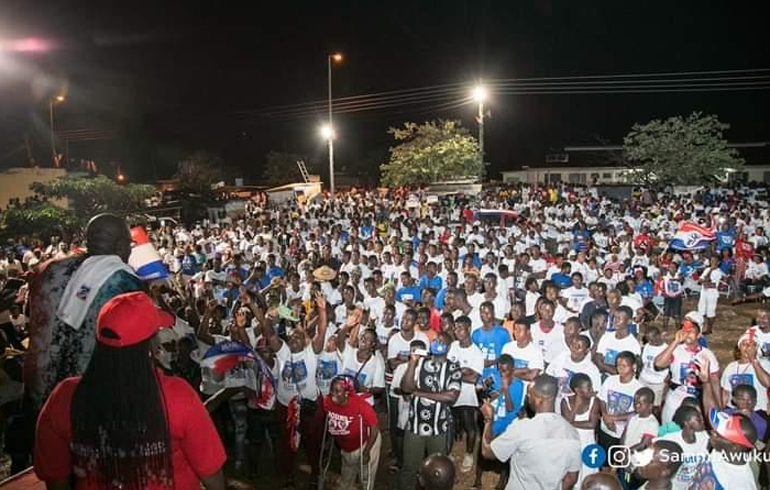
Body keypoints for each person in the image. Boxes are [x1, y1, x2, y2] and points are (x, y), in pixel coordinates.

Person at [34, 291, 226, 489]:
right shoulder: (177, 396)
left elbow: (56, 478)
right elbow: (211, 473)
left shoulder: (64, 398)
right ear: (152, 344)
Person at [25, 213, 144, 412]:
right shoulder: (125, 282)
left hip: (40, 390)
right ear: (121, 246)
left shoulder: (47, 270)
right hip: (91, 401)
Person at [481, 374, 581, 490]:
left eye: (529, 395)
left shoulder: (522, 427)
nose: (527, 398)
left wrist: (488, 420)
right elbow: (572, 478)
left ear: (539, 400)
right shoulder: (572, 432)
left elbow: (488, 452)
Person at [399, 332, 461, 490]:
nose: (437, 342)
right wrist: (412, 363)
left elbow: (451, 396)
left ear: (448, 347)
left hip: (439, 428)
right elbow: (406, 388)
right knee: (409, 468)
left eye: (441, 341)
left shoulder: (453, 368)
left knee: (437, 471)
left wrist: (418, 392)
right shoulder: (420, 363)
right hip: (415, 425)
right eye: (436, 339)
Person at [654, 313, 720, 424]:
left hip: (697, 401)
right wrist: (675, 342)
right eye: (685, 331)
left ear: (699, 335)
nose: (687, 335)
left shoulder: (708, 354)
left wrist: (719, 408)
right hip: (675, 399)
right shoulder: (676, 350)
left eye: (691, 332)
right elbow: (659, 364)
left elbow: (715, 383)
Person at [322, 376, 381, 490]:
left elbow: (374, 428)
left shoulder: (361, 406)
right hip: (346, 447)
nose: (333, 394)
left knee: (365, 477)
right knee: (347, 473)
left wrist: (366, 452)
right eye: (332, 390)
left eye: (337, 391)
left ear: (347, 393)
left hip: (365, 443)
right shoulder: (328, 402)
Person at [447, 316, 484, 473]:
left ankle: (469, 455)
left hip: (467, 395)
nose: (457, 331)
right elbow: (447, 368)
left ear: (469, 329)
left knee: (470, 426)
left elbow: (474, 378)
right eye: (455, 328)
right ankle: (447, 453)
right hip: (450, 392)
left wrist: (457, 372)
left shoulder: (476, 352)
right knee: (450, 424)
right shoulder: (454, 346)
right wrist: (463, 371)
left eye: (460, 328)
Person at [597, 351, 643, 456]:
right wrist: (605, 416)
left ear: (633, 366)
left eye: (624, 366)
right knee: (604, 461)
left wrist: (613, 419)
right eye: (618, 365)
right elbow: (602, 399)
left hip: (624, 433)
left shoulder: (639, 388)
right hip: (606, 428)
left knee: (619, 462)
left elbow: (636, 412)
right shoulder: (610, 380)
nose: (620, 368)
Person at [561, 373, 600, 488]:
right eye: (589, 388)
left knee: (589, 478)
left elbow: (592, 424)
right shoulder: (566, 401)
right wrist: (576, 407)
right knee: (572, 479)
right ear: (578, 390)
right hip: (572, 445)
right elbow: (566, 423)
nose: (592, 390)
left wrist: (571, 423)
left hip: (588, 445)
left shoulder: (594, 401)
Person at [659, 405, 709, 490]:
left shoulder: (705, 437)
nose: (702, 420)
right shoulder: (671, 439)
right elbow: (650, 447)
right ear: (687, 423)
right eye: (698, 419)